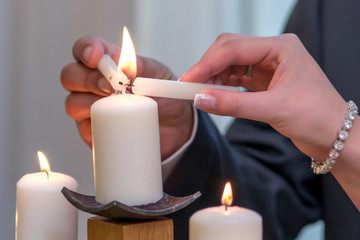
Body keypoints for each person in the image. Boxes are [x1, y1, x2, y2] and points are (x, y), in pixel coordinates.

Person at [61, 0, 360, 239]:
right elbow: (265, 196)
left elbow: (330, 131)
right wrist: (177, 143)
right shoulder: (333, 9)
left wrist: (344, 136)